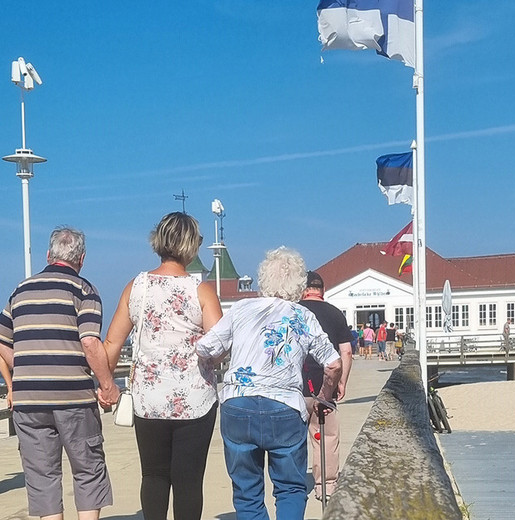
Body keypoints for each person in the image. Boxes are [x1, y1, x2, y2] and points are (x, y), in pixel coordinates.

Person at [196, 247, 342, 520]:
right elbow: (333, 363)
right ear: (299, 285)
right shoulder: (303, 316)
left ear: (263, 280)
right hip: (284, 406)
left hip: (238, 403)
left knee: (247, 491)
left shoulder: (241, 309)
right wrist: (324, 395)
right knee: (289, 488)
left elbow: (206, 348)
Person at [103, 212, 222, 520]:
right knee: (189, 481)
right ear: (191, 246)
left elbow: (112, 344)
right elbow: (219, 347)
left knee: (153, 475)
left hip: (149, 399)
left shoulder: (136, 286)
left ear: (158, 241)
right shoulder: (202, 291)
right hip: (195, 401)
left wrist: (105, 386)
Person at [0, 227, 119, 520]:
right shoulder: (84, 291)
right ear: (82, 259)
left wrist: (27, 368)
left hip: (29, 401)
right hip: (73, 398)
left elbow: (2, 341)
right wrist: (107, 385)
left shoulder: (20, 290)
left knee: (42, 475)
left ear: (48, 255)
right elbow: (90, 341)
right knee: (88, 468)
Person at [300, 271, 353, 501]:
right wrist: (342, 381)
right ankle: (326, 485)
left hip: (296, 386)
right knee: (326, 436)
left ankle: (294, 485)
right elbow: (346, 351)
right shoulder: (334, 314)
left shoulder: (293, 311)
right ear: (323, 290)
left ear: (302, 289)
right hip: (325, 385)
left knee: (294, 437)